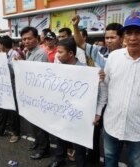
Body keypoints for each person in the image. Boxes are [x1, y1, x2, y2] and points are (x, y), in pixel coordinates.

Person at [94, 12, 140, 167]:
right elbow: (105, 87)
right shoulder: (114, 57)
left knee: (139, 164)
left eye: (138, 32)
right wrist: (99, 111)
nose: (133, 38)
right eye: (129, 33)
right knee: (109, 159)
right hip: (111, 125)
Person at [72, 15, 123, 164]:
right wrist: (75, 26)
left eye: (112, 37)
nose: (108, 41)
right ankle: (94, 158)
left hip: (119, 102)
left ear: (121, 38)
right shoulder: (99, 50)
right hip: (101, 100)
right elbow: (80, 43)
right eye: (106, 37)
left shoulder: (127, 55)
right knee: (97, 132)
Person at [48, 38, 88, 167]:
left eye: (60, 52)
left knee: (78, 143)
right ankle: (59, 160)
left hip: (77, 114)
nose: (57, 55)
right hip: (61, 110)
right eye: (57, 52)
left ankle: (80, 164)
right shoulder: (58, 68)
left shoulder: (85, 71)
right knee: (60, 136)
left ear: (71, 54)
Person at [18, 26, 50, 160]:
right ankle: (38, 142)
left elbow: (37, 77)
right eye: (24, 39)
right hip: (30, 95)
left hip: (39, 96)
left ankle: (43, 149)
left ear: (37, 39)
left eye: (29, 38)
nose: (26, 41)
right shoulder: (28, 52)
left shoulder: (40, 54)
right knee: (33, 122)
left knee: (40, 124)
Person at [0, 35, 21, 143]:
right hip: (4, 86)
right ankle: (1, 128)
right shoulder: (1, 54)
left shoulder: (15, 54)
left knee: (13, 111)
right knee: (3, 108)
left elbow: (15, 71)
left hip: (13, 86)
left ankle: (16, 133)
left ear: (2, 45)